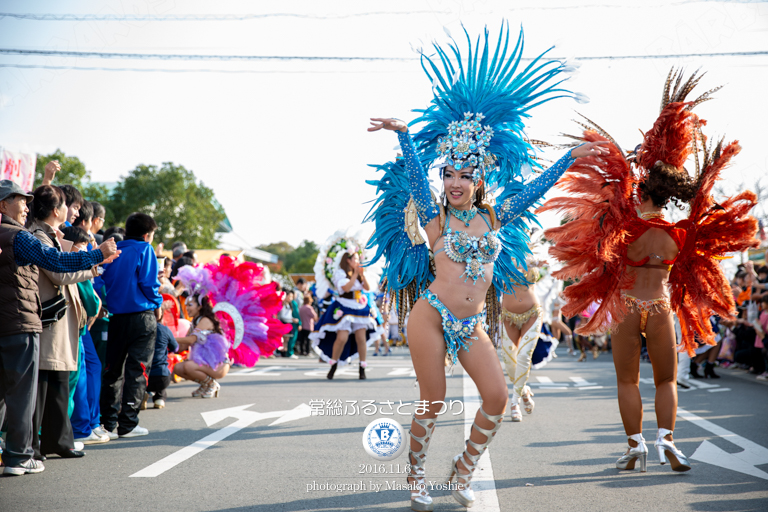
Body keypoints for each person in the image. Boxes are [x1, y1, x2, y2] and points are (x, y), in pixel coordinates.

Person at [366, 24, 606, 510]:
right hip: (431, 314)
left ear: (479, 178)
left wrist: (567, 157)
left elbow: (535, 188)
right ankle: (415, 476)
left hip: (470, 323)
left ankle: (460, 471)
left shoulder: (496, 216)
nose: (454, 181)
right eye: (448, 173)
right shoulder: (434, 220)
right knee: (432, 401)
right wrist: (405, 135)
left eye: (464, 174)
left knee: (497, 398)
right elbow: (415, 174)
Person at [539, 69, 759, 474]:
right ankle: (668, 443)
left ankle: (635, 446)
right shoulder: (678, 234)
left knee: (627, 381)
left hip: (626, 307)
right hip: (660, 309)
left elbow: (603, 223)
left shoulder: (624, 229)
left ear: (640, 191)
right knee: (666, 382)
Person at [0, 179, 117, 476]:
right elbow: (54, 261)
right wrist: (96, 255)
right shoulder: (19, 236)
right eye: (20, 200)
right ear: (3, 205)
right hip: (19, 322)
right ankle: (18, 455)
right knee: (22, 394)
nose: (26, 207)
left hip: (10, 322)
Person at [28, 189, 102, 461]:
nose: (72, 211)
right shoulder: (38, 235)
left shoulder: (51, 234)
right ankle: (34, 446)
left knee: (58, 384)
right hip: (49, 319)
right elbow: (59, 271)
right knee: (43, 387)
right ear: (56, 210)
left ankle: (57, 441)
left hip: (59, 321)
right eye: (66, 205)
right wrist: (95, 261)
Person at [100, 212, 163, 439]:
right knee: (137, 371)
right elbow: (148, 283)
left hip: (115, 318)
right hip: (142, 316)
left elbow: (101, 280)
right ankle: (128, 424)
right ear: (147, 235)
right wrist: (158, 302)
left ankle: (107, 423)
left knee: (112, 371)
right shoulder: (145, 249)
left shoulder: (112, 250)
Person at [310, 251, 376, 380]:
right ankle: (333, 364)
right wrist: (355, 274)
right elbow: (346, 288)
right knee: (342, 338)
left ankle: (362, 367)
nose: (358, 261)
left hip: (358, 306)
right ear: (348, 260)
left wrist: (362, 275)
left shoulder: (359, 273)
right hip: (344, 306)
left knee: (361, 338)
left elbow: (367, 288)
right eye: (356, 259)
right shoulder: (341, 273)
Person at [499, 263, 543, 422]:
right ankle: (524, 391)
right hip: (508, 315)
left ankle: (514, 403)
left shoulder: (535, 252)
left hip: (532, 313)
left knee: (524, 356)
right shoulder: (500, 249)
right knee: (510, 364)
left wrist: (538, 262)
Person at [143, 322, 179, 408]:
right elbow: (175, 348)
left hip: (142, 378)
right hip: (161, 377)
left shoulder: (137, 328)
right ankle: (160, 399)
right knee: (162, 366)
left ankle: (141, 396)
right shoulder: (164, 329)